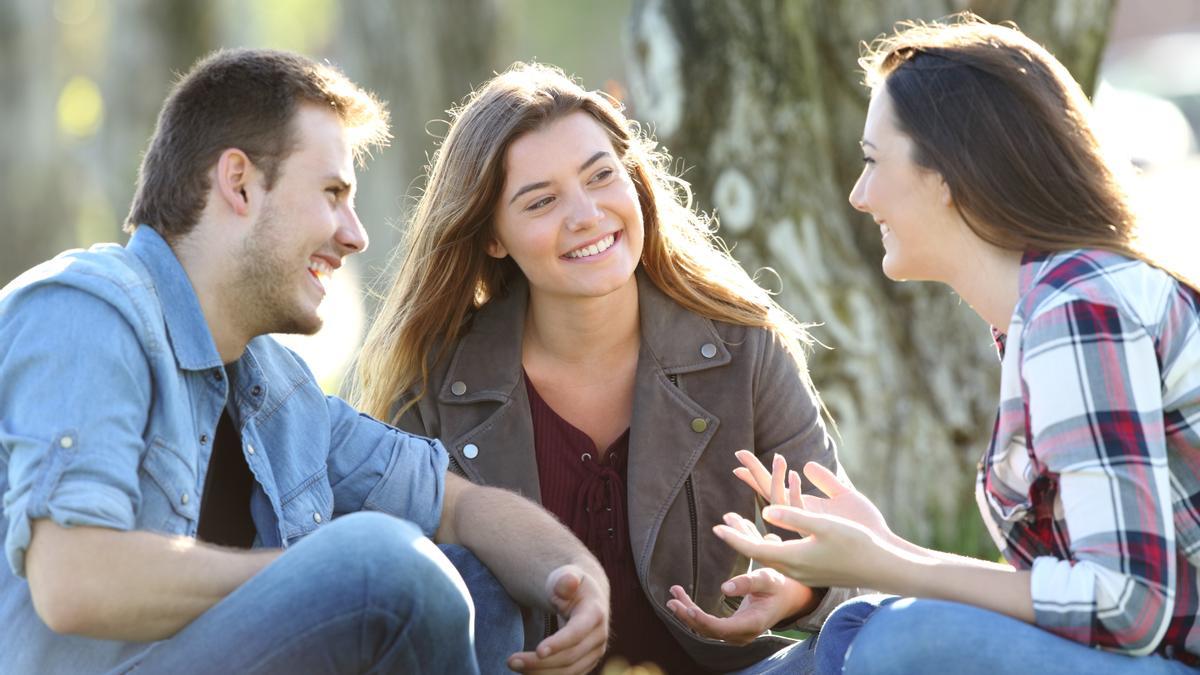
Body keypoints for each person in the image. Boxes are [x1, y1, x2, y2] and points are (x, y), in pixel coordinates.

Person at [0, 48, 611, 675]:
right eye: (332, 194)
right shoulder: (83, 310)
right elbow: (72, 581)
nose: (355, 234)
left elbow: (458, 506)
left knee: (470, 571)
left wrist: (575, 573)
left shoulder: (276, 389)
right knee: (385, 563)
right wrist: (337, 575)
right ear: (238, 183)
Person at [712, 13, 1200, 675]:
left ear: (948, 176)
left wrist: (888, 564)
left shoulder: (1081, 308)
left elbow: (1127, 605)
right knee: (881, 630)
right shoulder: (1048, 310)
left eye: (872, 161)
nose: (859, 195)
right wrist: (884, 547)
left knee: (903, 640)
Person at [352, 62, 856, 673]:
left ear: (634, 182)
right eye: (541, 202)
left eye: (601, 177)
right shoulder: (434, 384)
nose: (587, 214)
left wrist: (797, 590)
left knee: (882, 643)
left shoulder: (744, 347)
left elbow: (852, 555)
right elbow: (384, 597)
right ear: (492, 237)